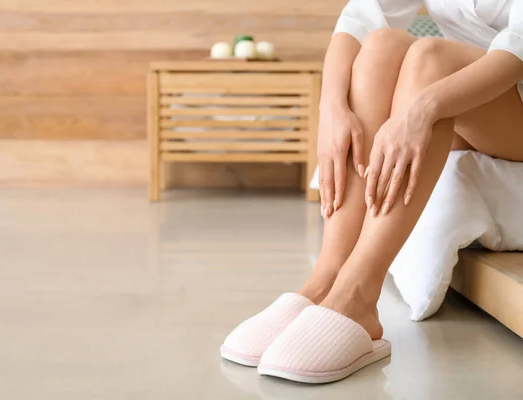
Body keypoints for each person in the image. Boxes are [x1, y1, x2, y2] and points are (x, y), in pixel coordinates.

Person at [220, 0, 523, 384]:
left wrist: (420, 111)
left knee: (430, 58)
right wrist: (330, 108)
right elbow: (361, 15)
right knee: (381, 45)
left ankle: (360, 294)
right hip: (474, 101)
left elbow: (517, 50)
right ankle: (326, 280)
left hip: (511, 93)